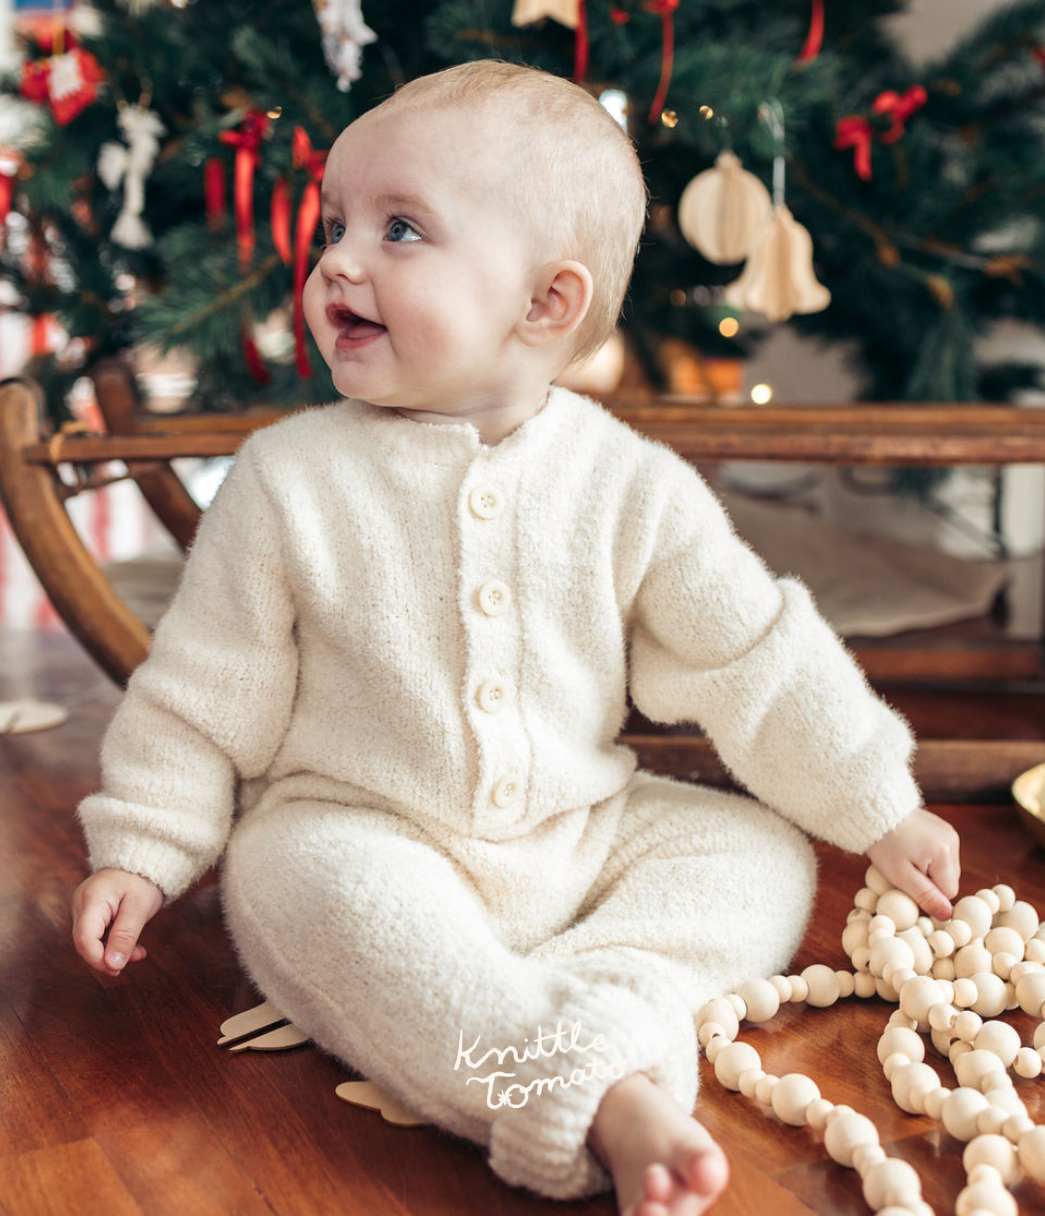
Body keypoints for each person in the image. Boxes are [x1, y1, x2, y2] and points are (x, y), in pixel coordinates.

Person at [71, 60, 960, 1216]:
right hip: (366, 828)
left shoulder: (629, 486)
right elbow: (203, 693)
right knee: (300, 887)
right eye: (334, 225)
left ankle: (577, 1004)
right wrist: (140, 847)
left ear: (544, 305)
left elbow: (755, 655)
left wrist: (877, 803)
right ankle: (595, 1089)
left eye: (400, 229)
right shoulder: (288, 480)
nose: (338, 259)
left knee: (759, 859)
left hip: (583, 837)